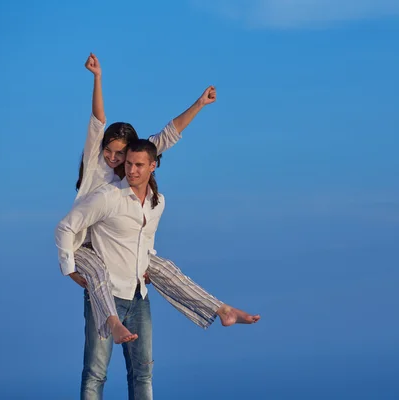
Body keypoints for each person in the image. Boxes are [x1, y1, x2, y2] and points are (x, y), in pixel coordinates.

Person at [57, 53, 260, 346]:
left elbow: (168, 134)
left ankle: (222, 309)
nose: (114, 158)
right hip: (85, 246)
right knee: (100, 272)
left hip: (118, 247)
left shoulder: (131, 170)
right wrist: (98, 78)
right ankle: (113, 324)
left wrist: (200, 104)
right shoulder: (95, 163)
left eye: (121, 154)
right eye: (110, 152)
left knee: (164, 268)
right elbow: (98, 121)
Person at [57, 139, 165, 399]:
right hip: (106, 294)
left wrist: (147, 262)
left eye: (139, 165)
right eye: (128, 163)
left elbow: (146, 239)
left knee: (143, 373)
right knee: (96, 373)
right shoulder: (109, 196)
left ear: (152, 166)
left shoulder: (157, 202)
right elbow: (65, 227)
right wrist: (69, 269)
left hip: (138, 295)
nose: (132, 170)